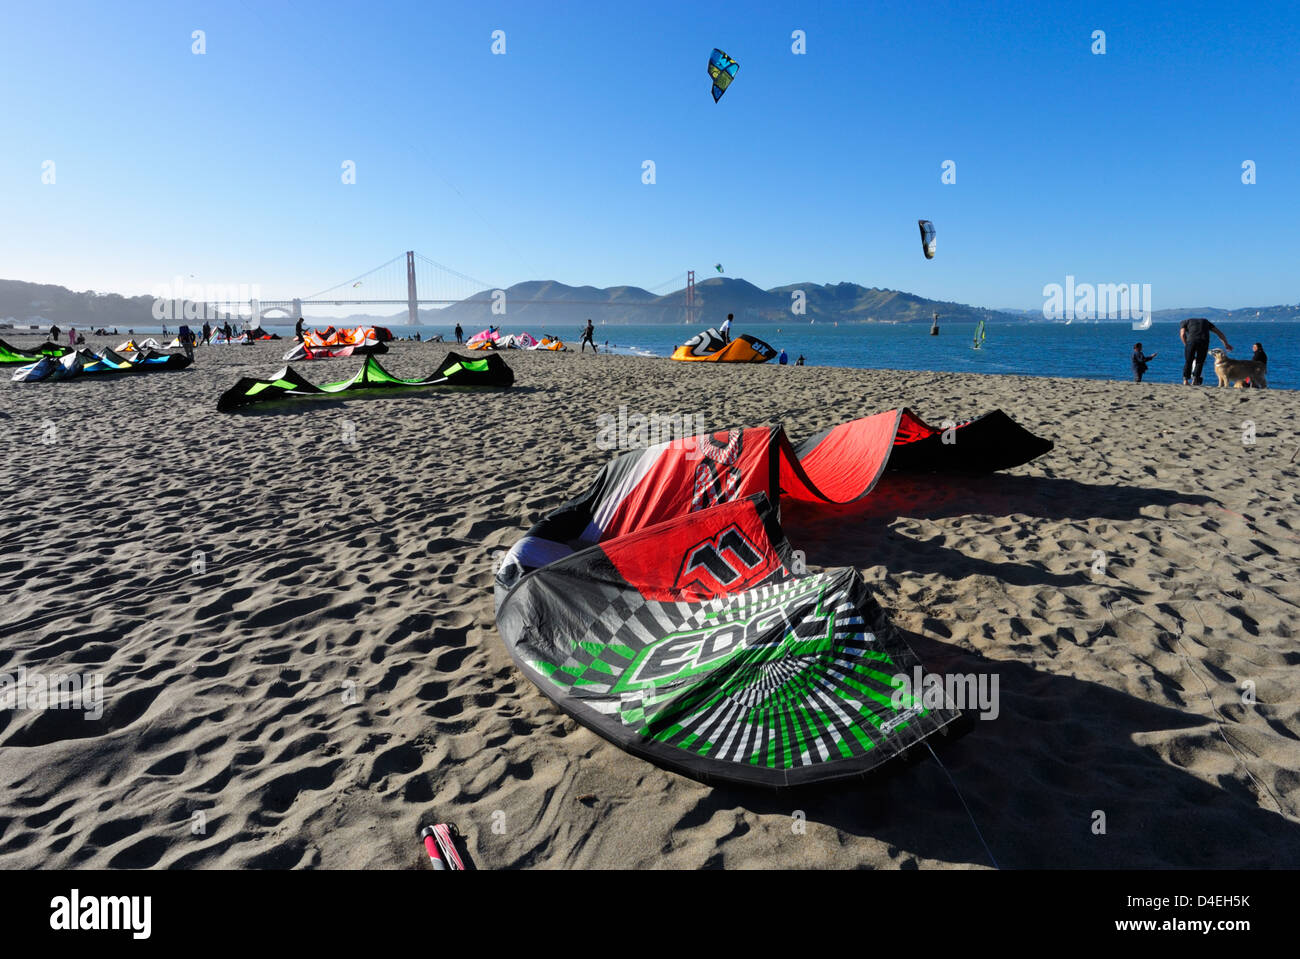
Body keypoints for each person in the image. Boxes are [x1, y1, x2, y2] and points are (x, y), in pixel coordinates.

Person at [1180, 316, 1232, 385]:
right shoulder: (1206, 322)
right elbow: (1219, 333)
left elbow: (1182, 334)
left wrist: (1186, 344)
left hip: (1191, 342)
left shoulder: (1184, 322)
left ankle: (1185, 381)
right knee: (1200, 362)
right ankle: (1195, 380)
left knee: (1189, 361)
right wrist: (1226, 344)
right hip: (1203, 341)